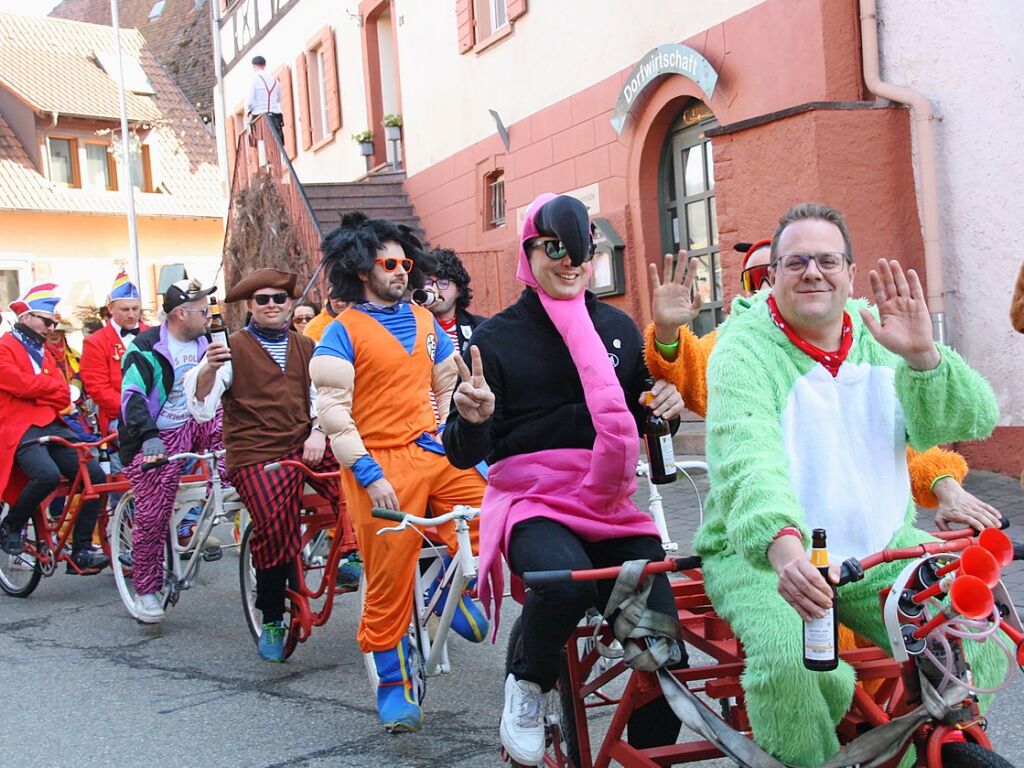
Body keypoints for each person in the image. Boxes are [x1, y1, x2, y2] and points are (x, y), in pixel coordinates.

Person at [693, 202, 1006, 767]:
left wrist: (924, 356)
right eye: (795, 262)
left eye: (827, 260)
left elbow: (964, 421)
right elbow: (747, 461)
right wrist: (786, 552)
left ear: (850, 273)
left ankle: (935, 749)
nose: (813, 272)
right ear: (774, 275)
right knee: (792, 668)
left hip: (878, 543)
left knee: (974, 632)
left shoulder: (878, 332)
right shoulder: (743, 348)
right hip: (768, 556)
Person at [442, 194, 688, 767]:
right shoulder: (495, 339)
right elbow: (461, 451)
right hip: (533, 499)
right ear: (527, 252)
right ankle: (527, 684)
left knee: (664, 653)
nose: (569, 260)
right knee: (565, 583)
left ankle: (647, 755)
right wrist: (474, 420)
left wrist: (664, 408)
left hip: (609, 500)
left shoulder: (618, 328)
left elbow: (641, 409)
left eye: (581, 248)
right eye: (552, 247)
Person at [647, 241, 1002, 532]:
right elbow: (694, 371)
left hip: (863, 537)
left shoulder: (867, 338)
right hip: (777, 535)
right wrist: (666, 333)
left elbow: (893, 435)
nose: (768, 288)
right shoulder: (738, 343)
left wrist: (947, 486)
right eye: (755, 278)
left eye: (814, 265)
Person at [310, 212, 488, 734]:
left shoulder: (427, 321)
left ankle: (439, 594)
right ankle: (393, 682)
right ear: (363, 269)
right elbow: (334, 416)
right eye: (390, 263)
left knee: (488, 515)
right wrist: (366, 472)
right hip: (377, 463)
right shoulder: (340, 333)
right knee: (386, 578)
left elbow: (444, 382)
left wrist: (445, 430)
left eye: (406, 262)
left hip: (430, 450)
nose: (402, 272)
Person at [185, 269, 354, 661]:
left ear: (290, 303)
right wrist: (209, 368)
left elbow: (327, 398)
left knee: (358, 478)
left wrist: (318, 431)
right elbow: (201, 405)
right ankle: (274, 615)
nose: (272, 305)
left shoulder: (308, 346)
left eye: (279, 298)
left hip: (305, 441)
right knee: (276, 524)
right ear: (250, 306)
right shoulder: (230, 348)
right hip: (256, 452)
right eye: (263, 299)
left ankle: (352, 555)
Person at [119, 278, 223, 624]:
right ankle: (146, 587)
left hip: (197, 422)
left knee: (231, 447)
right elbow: (131, 399)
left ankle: (214, 506)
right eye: (202, 311)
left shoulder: (209, 342)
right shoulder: (145, 348)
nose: (209, 316)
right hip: (157, 433)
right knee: (152, 511)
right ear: (180, 314)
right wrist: (149, 437)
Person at [0, 284, 109, 573]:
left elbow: (63, 393)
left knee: (94, 477)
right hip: (20, 427)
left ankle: (83, 547)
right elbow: (17, 384)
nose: (51, 327)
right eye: (46, 321)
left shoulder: (46, 352)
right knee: (45, 475)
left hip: (52, 423)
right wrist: (43, 390)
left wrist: (39, 391)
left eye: (53, 323)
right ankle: (11, 526)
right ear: (26, 318)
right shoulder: (4, 347)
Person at [81, 271, 147, 437]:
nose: (132, 315)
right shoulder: (96, 342)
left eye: (135, 308)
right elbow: (98, 389)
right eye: (125, 309)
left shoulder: (154, 334)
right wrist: (134, 410)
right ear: (110, 309)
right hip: (121, 416)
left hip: (161, 411)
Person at [422, 248, 487, 352]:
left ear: (459, 290)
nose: (434, 289)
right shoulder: (413, 325)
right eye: (428, 282)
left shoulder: (480, 328)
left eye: (443, 283)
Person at [246, 55, 283, 137]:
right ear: (265, 65)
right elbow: (279, 99)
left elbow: (249, 101)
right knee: (275, 141)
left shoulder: (254, 79)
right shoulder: (275, 80)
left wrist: (248, 112)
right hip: (275, 116)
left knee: (261, 142)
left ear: (253, 66)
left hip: (260, 117)